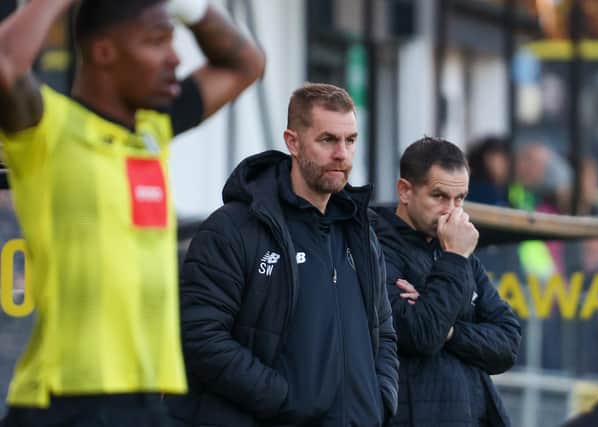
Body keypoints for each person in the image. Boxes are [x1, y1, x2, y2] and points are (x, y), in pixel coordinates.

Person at [0, 0, 265, 425]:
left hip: (146, 401)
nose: (174, 58)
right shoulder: (49, 130)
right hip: (65, 402)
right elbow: (6, 64)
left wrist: (189, 8)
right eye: (156, 42)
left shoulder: (151, 132)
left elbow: (245, 63)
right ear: (104, 51)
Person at [165, 83, 399, 427]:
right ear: (293, 142)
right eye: (327, 140)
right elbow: (201, 337)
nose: (342, 155)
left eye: (350, 141)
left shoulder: (361, 232)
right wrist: (284, 400)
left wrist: (380, 399)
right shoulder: (234, 228)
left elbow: (383, 331)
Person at [371, 137, 521, 426]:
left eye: (460, 198)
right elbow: (421, 333)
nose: (451, 210)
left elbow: (508, 342)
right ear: (405, 191)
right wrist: (453, 257)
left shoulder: (458, 248)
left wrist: (451, 332)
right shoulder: (375, 246)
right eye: (439, 196)